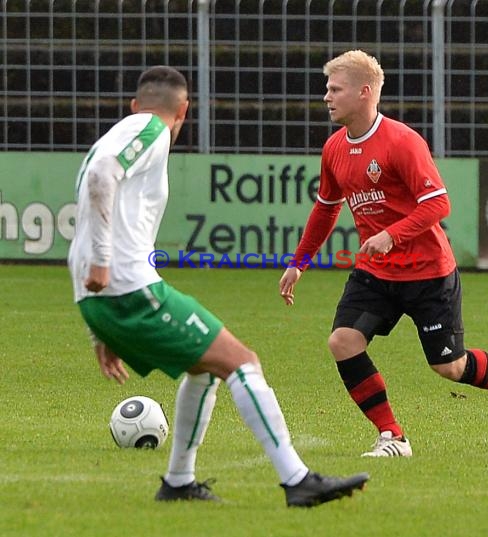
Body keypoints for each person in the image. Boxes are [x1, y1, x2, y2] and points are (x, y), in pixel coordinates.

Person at [68, 65, 368, 506]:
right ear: (185, 110)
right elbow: (102, 177)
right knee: (242, 363)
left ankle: (178, 482)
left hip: (105, 297)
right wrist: (103, 263)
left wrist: (100, 324)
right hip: (128, 290)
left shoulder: (117, 134)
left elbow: (87, 209)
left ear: (135, 102)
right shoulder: (149, 128)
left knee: (205, 368)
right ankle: (297, 480)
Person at [278, 50, 488, 457]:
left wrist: (391, 234)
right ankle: (393, 436)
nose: (326, 97)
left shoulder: (402, 142)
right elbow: (325, 208)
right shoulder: (334, 148)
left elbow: (438, 205)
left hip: (428, 273)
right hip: (375, 274)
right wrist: (299, 263)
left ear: (364, 92)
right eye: (327, 89)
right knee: (343, 341)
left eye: (335, 89)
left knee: (449, 367)